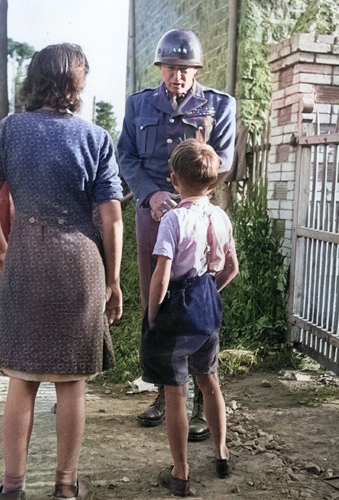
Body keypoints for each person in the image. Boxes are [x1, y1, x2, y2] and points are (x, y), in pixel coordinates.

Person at [0, 43, 123, 500]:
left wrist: (1, 249)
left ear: (34, 78)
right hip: (80, 265)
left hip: (27, 259)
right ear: (76, 86)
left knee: (23, 379)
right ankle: (65, 487)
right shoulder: (96, 138)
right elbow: (112, 218)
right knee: (71, 381)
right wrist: (114, 281)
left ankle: (13, 487)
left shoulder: (10, 130)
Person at [117, 28, 236, 438]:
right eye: (170, 67)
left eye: (185, 69)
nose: (177, 76)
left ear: (197, 70)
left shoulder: (220, 105)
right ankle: (163, 391)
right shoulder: (138, 105)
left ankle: (202, 399)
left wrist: (190, 195)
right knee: (158, 292)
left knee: (201, 295)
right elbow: (126, 156)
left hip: (200, 213)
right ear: (160, 67)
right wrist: (150, 196)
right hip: (154, 215)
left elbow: (222, 161)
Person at [140, 139, 239, 496]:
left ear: (174, 179)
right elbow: (232, 267)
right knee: (209, 381)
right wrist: (211, 291)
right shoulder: (221, 216)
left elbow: (161, 276)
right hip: (207, 308)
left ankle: (181, 470)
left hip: (176, 313)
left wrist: (153, 317)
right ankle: (221, 452)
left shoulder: (174, 219)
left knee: (175, 392)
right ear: (213, 183)